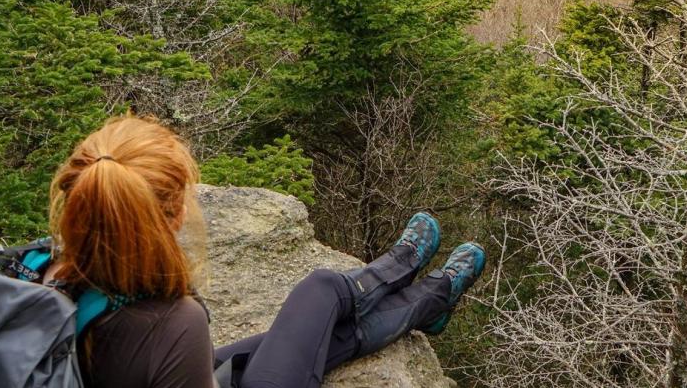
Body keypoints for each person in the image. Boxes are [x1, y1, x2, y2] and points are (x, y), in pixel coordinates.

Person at [45, 115, 486, 388]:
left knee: (305, 333)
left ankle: (426, 296)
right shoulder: (175, 325)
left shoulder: (43, 276)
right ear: (174, 214)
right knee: (322, 291)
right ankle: (423, 286)